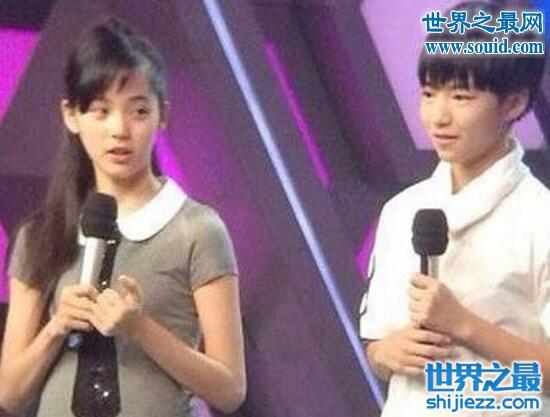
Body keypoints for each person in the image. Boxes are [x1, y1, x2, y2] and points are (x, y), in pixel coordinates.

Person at [0, 18, 246, 417]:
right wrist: (57, 325)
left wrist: (139, 327)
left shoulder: (198, 230)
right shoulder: (40, 235)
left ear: (162, 116)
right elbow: (9, 394)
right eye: (101, 111)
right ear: (71, 115)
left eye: (138, 111)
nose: (119, 129)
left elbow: (230, 390)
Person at [360, 1, 550, 416]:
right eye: (429, 94)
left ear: (514, 103)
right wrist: (386, 352)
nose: (438, 116)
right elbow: (377, 342)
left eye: (461, 96)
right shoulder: (402, 211)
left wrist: (463, 324)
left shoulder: (540, 218)